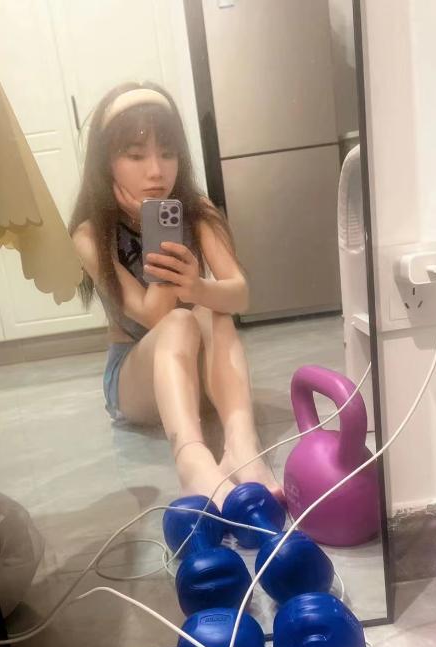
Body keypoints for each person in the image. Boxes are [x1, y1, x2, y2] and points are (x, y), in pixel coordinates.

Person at [70, 82, 283, 508]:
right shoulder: (90, 233)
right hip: (135, 378)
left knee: (210, 310)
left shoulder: (198, 211)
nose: (156, 171)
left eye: (167, 153)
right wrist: (159, 234)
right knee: (180, 320)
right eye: (135, 156)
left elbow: (240, 295)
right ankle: (192, 460)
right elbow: (154, 316)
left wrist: (200, 287)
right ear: (106, 163)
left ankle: (242, 445)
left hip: (195, 367)